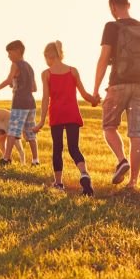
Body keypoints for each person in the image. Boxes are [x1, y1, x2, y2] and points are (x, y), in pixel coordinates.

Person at [92, 0, 140, 189]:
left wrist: (96, 88)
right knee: (136, 135)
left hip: (118, 84)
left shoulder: (111, 27)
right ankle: (133, 182)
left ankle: (121, 160)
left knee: (109, 126)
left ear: (113, 7)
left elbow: (103, 58)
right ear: (129, 4)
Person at [33, 41, 96, 195]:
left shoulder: (46, 74)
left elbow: (46, 98)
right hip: (72, 114)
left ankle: (59, 183)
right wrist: (94, 100)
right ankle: (84, 174)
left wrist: (41, 121)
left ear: (48, 56)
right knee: (74, 148)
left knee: (58, 149)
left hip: (57, 115)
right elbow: (84, 94)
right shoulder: (73, 71)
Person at [0, 40, 40, 166]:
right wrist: (16, 83)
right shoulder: (29, 66)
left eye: (10, 53)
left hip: (19, 103)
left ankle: (6, 159)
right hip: (31, 104)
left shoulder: (16, 64)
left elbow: (8, 79)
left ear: (17, 51)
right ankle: (35, 160)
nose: (8, 56)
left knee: (13, 131)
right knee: (31, 133)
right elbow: (34, 88)